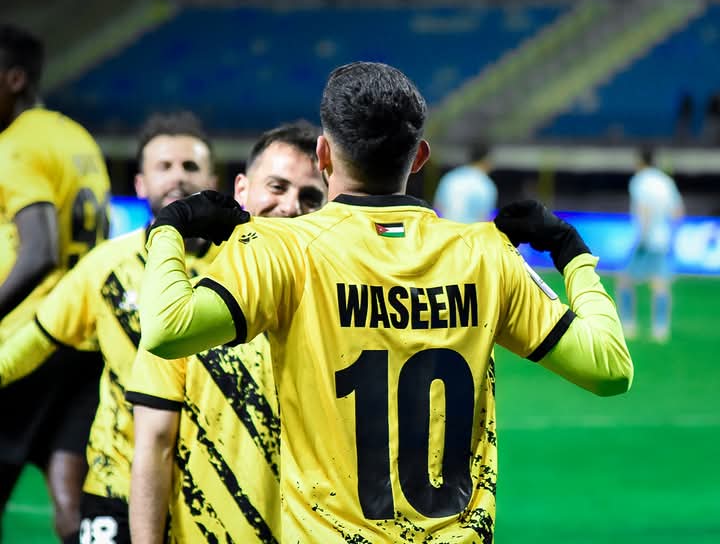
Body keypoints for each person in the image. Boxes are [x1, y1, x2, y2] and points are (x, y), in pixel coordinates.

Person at [137, 61, 633, 543]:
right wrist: (572, 254)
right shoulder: (485, 254)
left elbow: (165, 328)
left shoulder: (283, 249)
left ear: (323, 154)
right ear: (420, 158)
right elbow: (609, 368)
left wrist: (170, 226)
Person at [0, 111, 220, 543]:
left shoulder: (238, 267)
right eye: (164, 166)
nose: (177, 176)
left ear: (212, 179)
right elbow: (34, 342)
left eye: (190, 166)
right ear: (140, 184)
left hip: (211, 490)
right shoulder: (105, 265)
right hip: (118, 483)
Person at [125, 121, 326, 544]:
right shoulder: (189, 306)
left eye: (311, 196)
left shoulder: (341, 306)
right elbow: (155, 444)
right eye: (277, 187)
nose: (291, 207)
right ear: (241, 190)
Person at [0, 24, 110, 543]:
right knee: (71, 504)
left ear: (14, 79)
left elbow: (39, 251)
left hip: (26, 342)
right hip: (84, 342)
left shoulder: (15, 146)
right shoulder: (77, 137)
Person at [617, 146, 684, 342]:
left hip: (646, 239)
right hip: (663, 240)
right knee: (660, 284)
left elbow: (643, 209)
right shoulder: (666, 181)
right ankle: (660, 329)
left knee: (624, 281)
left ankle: (628, 325)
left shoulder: (640, 181)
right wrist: (671, 237)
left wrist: (642, 237)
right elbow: (678, 213)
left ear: (639, 161)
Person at [432, 141, 497, 223]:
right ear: (487, 160)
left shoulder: (450, 177)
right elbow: (484, 218)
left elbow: (437, 209)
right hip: (470, 230)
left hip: (445, 229)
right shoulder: (486, 185)